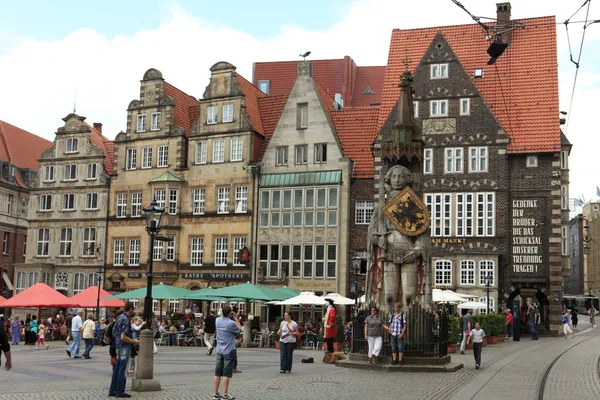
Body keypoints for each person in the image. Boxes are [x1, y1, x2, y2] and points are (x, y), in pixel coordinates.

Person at [108, 302, 140, 398]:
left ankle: (112, 390)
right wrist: (134, 341)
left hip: (118, 345)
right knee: (123, 369)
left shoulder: (119, 317)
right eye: (133, 309)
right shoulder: (126, 319)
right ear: (130, 308)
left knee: (117, 368)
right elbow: (123, 336)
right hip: (124, 346)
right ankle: (120, 391)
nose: (133, 311)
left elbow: (116, 333)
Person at [213, 305, 241, 400]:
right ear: (230, 313)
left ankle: (216, 393)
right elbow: (239, 328)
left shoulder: (217, 320)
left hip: (219, 349)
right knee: (226, 373)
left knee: (217, 372)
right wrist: (236, 317)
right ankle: (225, 394)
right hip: (228, 350)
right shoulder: (231, 323)